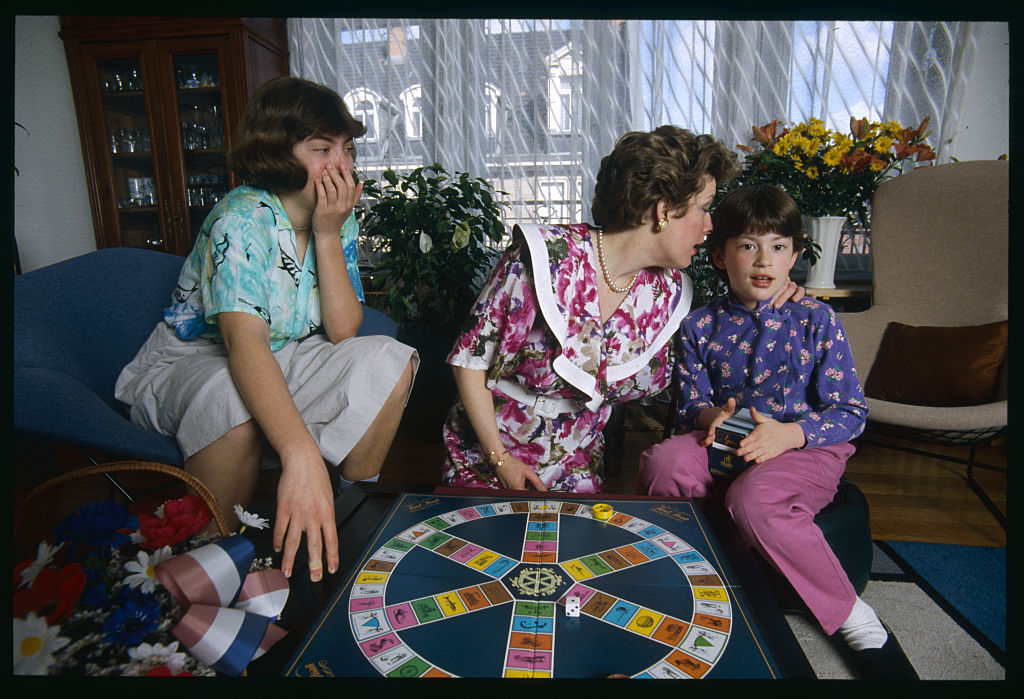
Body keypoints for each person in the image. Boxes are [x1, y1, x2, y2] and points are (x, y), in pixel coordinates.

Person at [115, 77, 418, 582]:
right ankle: (210, 559)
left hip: (288, 352)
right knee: (234, 405)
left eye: (346, 148)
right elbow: (243, 342)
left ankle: (351, 510)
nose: (341, 164)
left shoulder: (336, 219)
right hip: (195, 358)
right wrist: (300, 456)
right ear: (277, 151)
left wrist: (326, 232)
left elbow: (344, 331)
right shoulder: (240, 217)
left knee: (390, 357)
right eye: (322, 149)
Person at [635, 184, 910, 672]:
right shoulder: (700, 325)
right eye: (748, 246)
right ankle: (705, 578)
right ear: (720, 256)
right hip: (727, 441)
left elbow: (851, 411)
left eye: (778, 247)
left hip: (804, 446)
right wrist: (709, 417)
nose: (764, 260)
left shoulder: (817, 318)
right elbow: (690, 404)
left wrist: (791, 434)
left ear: (795, 255)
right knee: (664, 462)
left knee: (754, 498)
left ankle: (851, 613)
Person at [441, 127, 802, 493]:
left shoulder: (668, 292)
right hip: (488, 450)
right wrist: (500, 459)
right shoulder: (546, 257)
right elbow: (469, 362)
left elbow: (718, 340)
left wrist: (775, 293)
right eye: (704, 208)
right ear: (664, 210)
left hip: (578, 461)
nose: (711, 226)